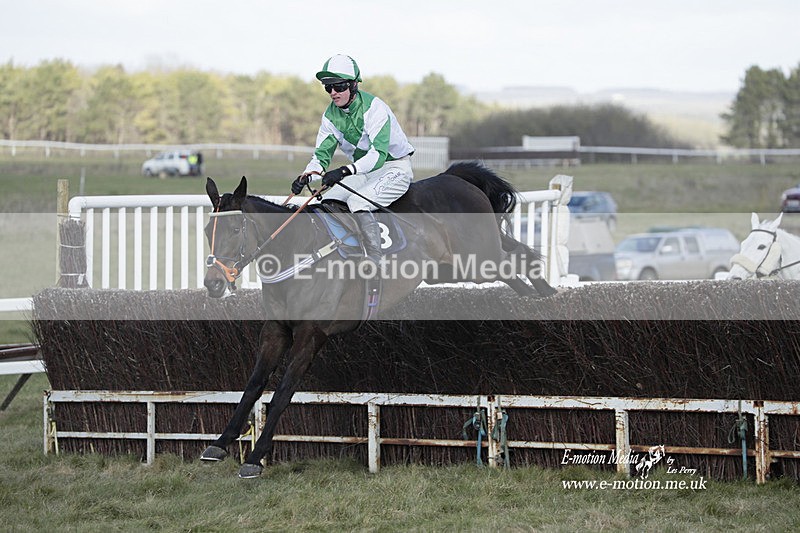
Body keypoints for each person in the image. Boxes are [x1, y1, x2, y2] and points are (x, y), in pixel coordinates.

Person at [292, 54, 414, 276]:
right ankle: (345, 252)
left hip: (395, 168)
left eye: (338, 86)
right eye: (327, 88)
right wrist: (307, 176)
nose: (333, 93)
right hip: (364, 171)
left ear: (354, 84)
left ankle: (374, 260)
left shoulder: (375, 108)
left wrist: (344, 170)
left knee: (358, 202)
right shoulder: (330, 116)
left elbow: (378, 155)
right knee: (329, 199)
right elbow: (321, 156)